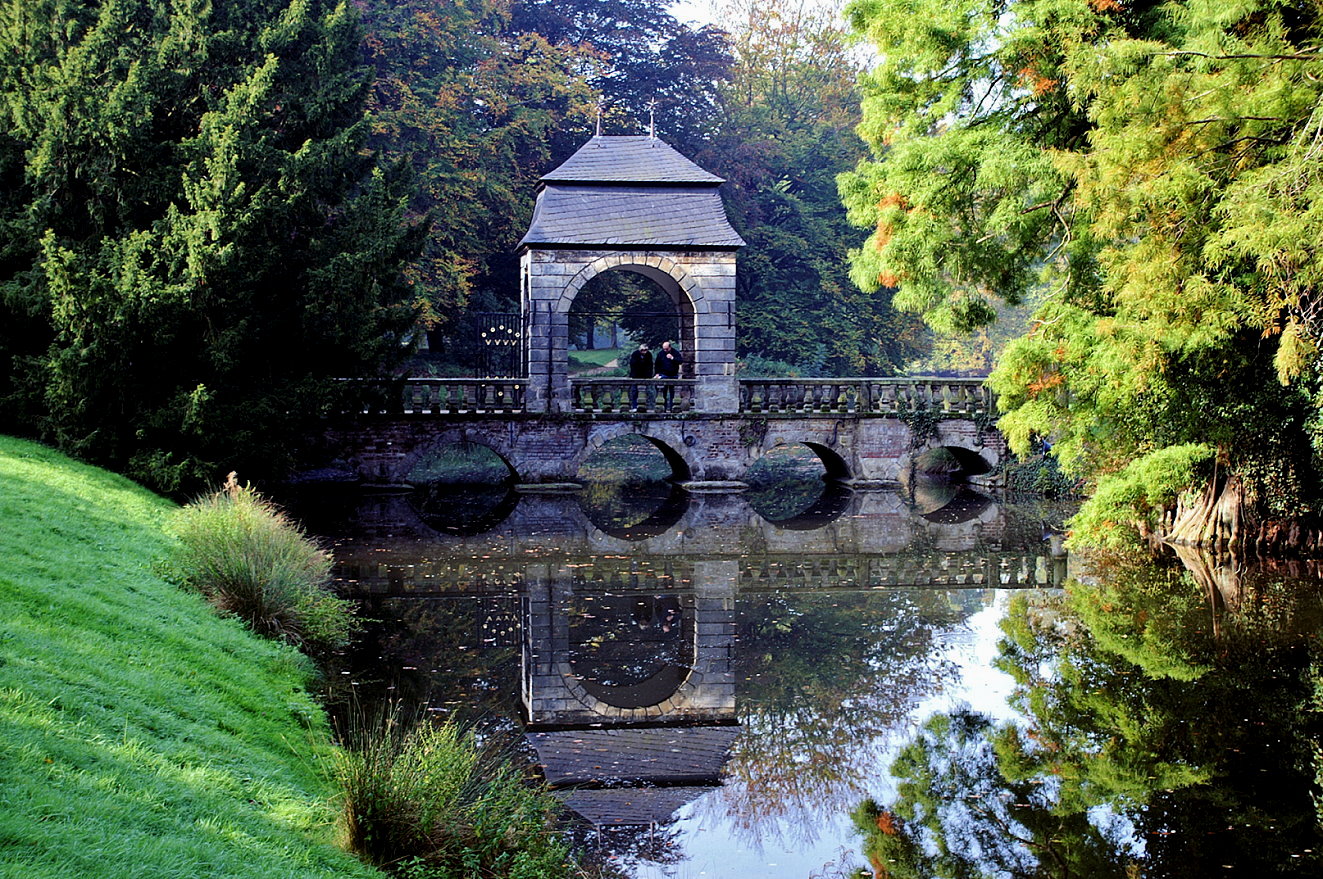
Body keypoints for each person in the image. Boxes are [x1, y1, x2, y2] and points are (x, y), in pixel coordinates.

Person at [654, 340, 683, 411]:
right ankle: (663, 408)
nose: (665, 350)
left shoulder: (675, 353)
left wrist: (672, 358)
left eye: (666, 349)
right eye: (664, 349)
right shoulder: (661, 354)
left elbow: (680, 361)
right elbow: (657, 364)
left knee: (673, 393)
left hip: (673, 375)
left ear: (670, 347)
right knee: (663, 393)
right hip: (664, 375)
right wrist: (657, 373)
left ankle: (672, 409)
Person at [627, 342, 654, 411]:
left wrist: (649, 376)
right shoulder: (635, 354)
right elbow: (633, 365)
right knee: (634, 391)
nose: (644, 352)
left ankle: (644, 406)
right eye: (643, 350)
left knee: (646, 391)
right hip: (636, 376)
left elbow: (650, 366)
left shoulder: (649, 355)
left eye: (645, 350)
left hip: (645, 376)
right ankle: (634, 406)